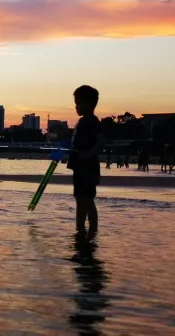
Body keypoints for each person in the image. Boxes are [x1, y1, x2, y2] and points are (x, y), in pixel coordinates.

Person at [68, 85, 106, 240]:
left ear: (89, 104)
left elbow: (101, 140)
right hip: (79, 167)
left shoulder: (92, 121)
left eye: (78, 103)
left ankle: (93, 231)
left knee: (87, 199)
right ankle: (80, 229)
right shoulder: (82, 122)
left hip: (88, 167)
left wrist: (88, 154)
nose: (76, 107)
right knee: (79, 198)